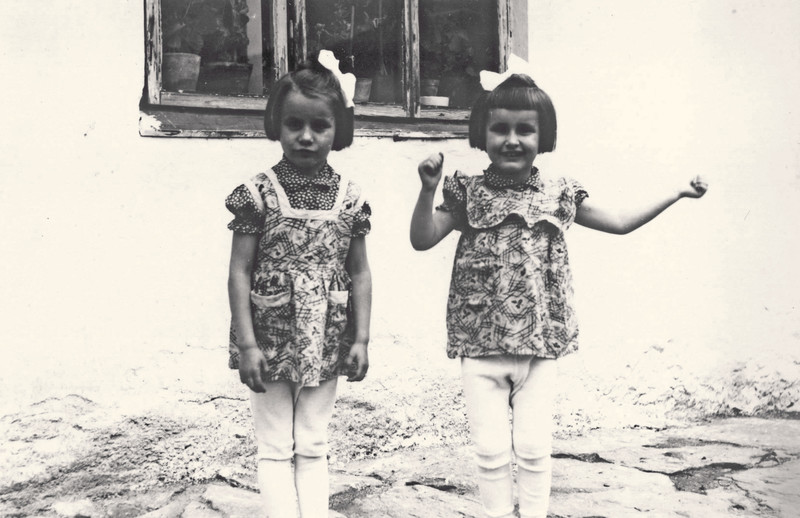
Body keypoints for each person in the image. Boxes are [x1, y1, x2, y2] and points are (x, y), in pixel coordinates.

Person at [409, 58, 708, 518]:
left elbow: (620, 222)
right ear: (482, 132)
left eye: (525, 130)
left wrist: (676, 192)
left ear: (543, 135)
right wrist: (427, 190)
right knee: (490, 452)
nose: (512, 140)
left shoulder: (560, 193)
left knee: (533, 451)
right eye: (500, 129)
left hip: (540, 347)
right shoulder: (467, 192)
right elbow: (422, 238)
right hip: (480, 345)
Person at [225, 51, 371, 518]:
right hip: (268, 338)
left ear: (338, 129)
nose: (306, 136)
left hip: (325, 336)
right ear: (277, 124)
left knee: (313, 442)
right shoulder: (257, 194)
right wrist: (248, 345)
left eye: (320, 126)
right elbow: (240, 271)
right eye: (294, 124)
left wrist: (361, 338)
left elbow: (360, 272)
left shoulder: (350, 198)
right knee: (273, 446)